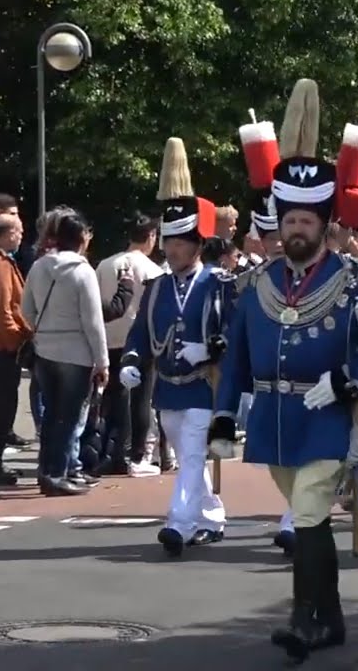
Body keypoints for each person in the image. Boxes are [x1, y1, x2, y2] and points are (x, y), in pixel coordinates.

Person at [208, 79, 358, 661]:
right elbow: (239, 354)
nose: (294, 231)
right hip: (274, 417)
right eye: (287, 221)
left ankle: (304, 621)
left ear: (326, 224)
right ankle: (334, 616)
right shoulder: (258, 283)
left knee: (308, 513)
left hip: (324, 413)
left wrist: (351, 381)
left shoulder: (355, 280)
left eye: (305, 222)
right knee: (311, 518)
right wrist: (225, 416)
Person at [119, 139, 228, 556]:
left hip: (202, 384)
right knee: (187, 456)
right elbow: (141, 332)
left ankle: (178, 525)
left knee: (194, 454)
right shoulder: (157, 287)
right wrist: (131, 360)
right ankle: (212, 515)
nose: (173, 248)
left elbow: (233, 330)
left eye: (182, 242)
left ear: (198, 245)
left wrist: (212, 348)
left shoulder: (216, 283)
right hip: (167, 386)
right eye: (169, 241)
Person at [20, 210, 109, 496]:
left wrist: (43, 328)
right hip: (76, 351)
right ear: (82, 238)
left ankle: (46, 470)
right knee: (69, 416)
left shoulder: (38, 266)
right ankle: (58, 473)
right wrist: (102, 360)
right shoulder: (83, 271)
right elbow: (93, 321)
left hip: (45, 348)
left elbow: (26, 310)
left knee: (50, 414)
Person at [95, 212, 162, 476]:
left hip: (109, 336)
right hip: (140, 341)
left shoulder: (105, 265)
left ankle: (112, 449)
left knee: (114, 397)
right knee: (141, 399)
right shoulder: (153, 269)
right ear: (151, 237)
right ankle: (135, 453)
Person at [0, 213, 33, 485]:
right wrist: (17, 340)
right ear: (8, 233)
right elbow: (1, 309)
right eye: (19, 230)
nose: (22, 235)